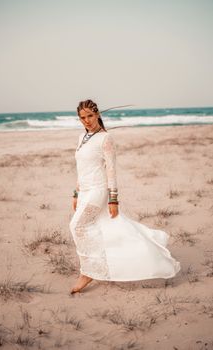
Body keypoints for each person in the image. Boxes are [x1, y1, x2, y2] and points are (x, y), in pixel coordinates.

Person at [69, 99, 181, 294]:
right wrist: (75, 192)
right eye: (82, 118)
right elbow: (82, 169)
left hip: (98, 190)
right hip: (84, 190)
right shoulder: (82, 137)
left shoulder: (105, 138)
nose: (86, 120)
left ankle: (88, 272)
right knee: (100, 228)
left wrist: (113, 199)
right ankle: (99, 265)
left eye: (89, 116)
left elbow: (111, 171)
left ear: (97, 115)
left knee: (76, 226)